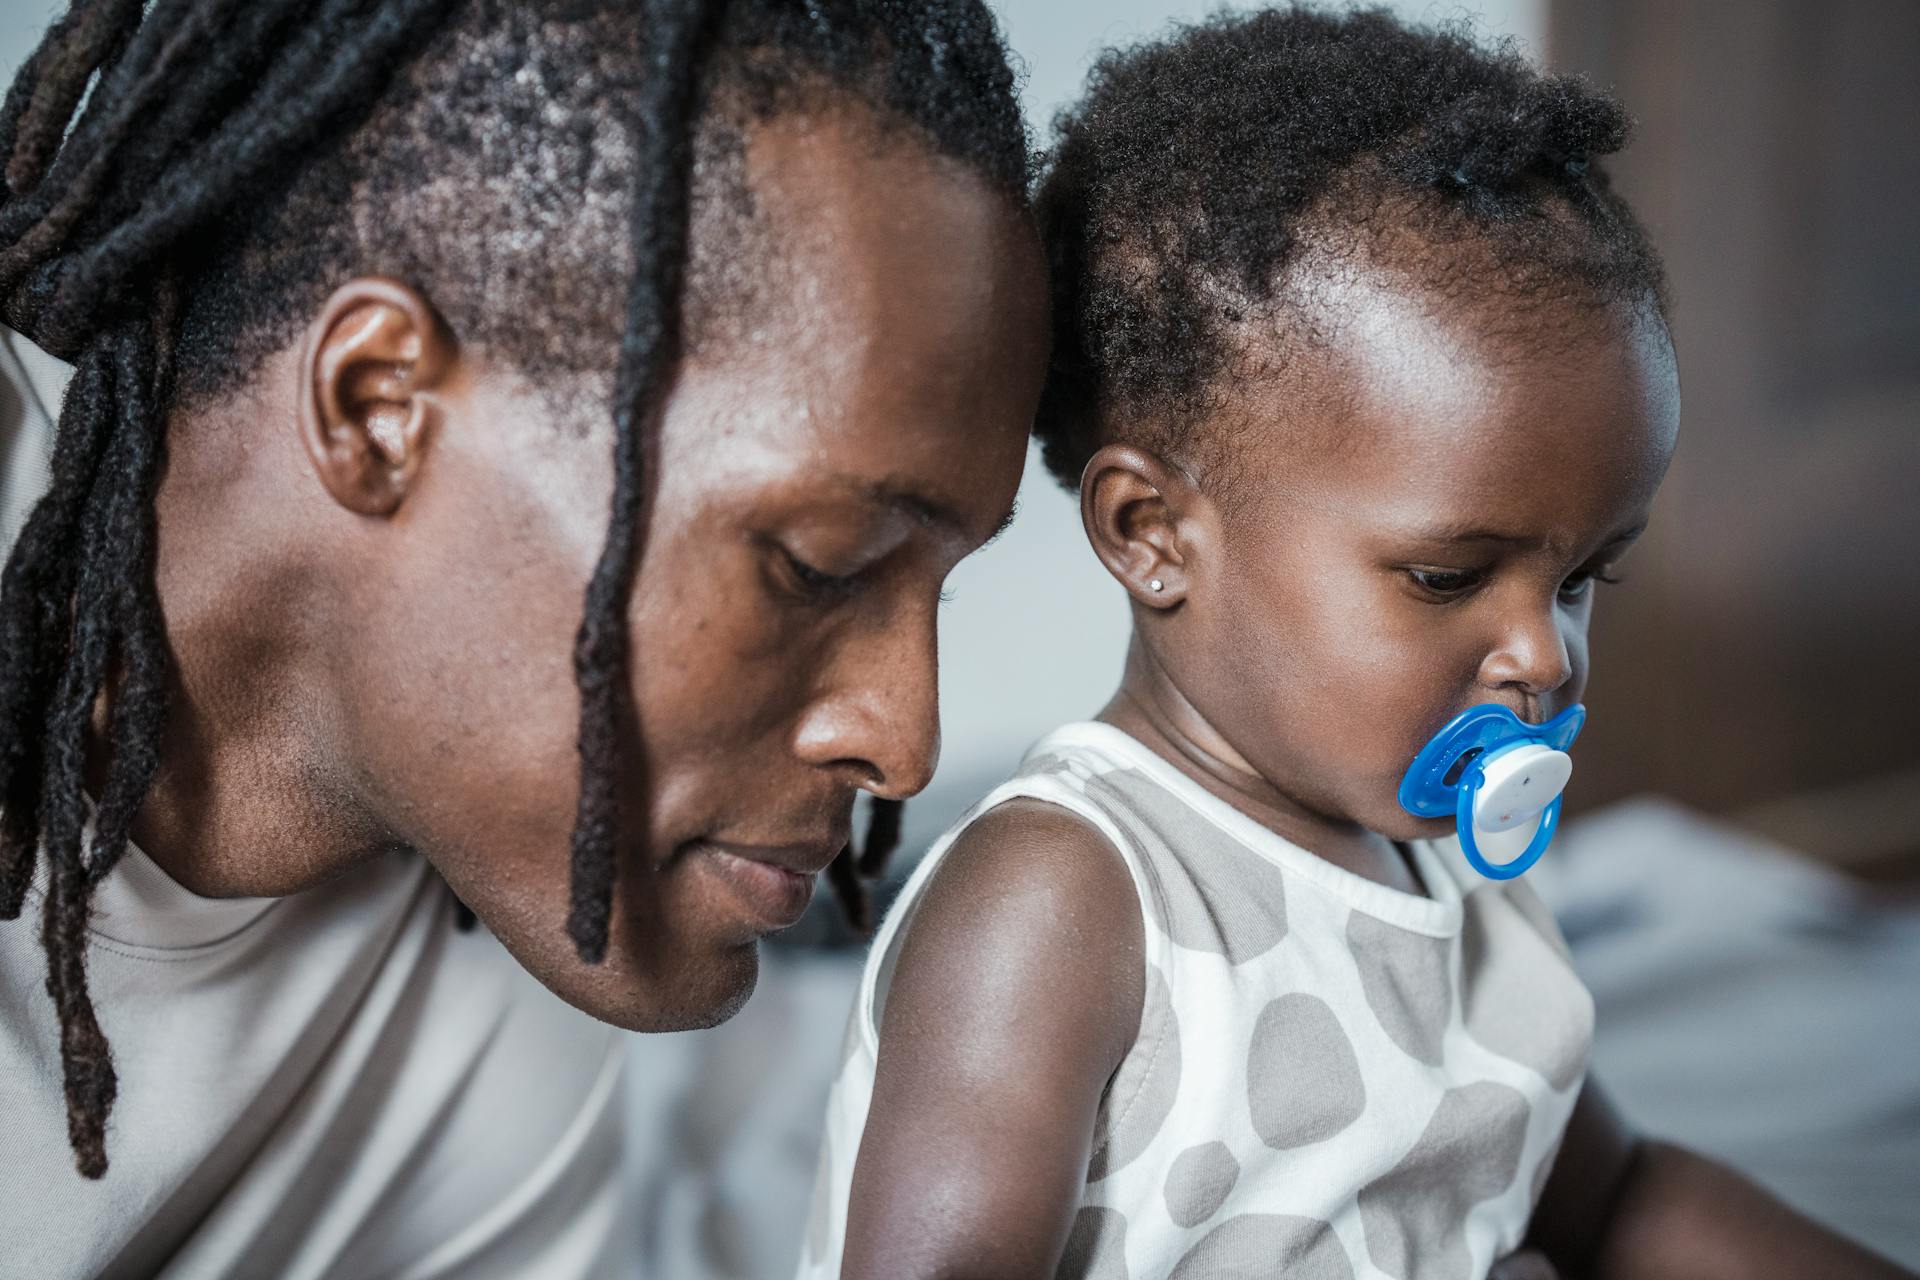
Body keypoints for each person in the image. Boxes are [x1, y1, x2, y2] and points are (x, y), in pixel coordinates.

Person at [803, 9, 1915, 1279]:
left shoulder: (1451, 870)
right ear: (1154, 532)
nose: (1542, 657)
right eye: (1448, 576)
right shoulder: (1063, 900)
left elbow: (1620, 1204)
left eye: (1584, 578)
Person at [0, 0, 1046, 1274]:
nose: (904, 738)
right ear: (378, 409)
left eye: (940, 590)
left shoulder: (525, 1027)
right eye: (820, 563)